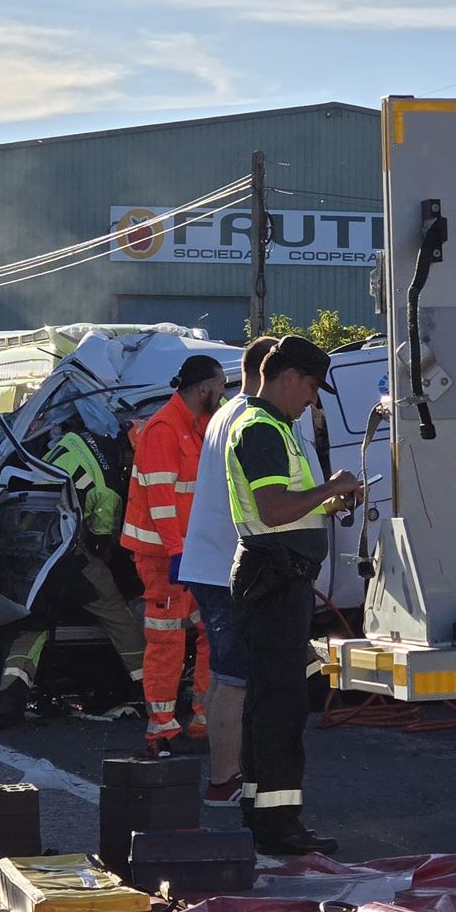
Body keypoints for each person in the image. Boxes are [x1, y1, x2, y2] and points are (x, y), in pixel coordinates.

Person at [225, 335, 362, 856]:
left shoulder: (273, 426)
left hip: (275, 577)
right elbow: (276, 510)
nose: (312, 400)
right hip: (275, 580)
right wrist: (332, 487)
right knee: (281, 704)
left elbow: (287, 510)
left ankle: (263, 814)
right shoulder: (261, 428)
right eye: (310, 387)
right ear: (288, 378)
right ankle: (280, 826)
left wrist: (326, 504)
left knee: (269, 699)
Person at [177, 336, 298, 805]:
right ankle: (224, 779)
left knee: (233, 673)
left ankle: (231, 773)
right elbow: (269, 501)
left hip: (214, 562)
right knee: (235, 675)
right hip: (229, 565)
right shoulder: (251, 419)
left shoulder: (225, 413)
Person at [0, 428, 146, 730]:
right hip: (70, 558)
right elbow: (100, 541)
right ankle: (148, 689)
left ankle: (10, 701)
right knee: (119, 616)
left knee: (35, 625)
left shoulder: (76, 438)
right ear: (131, 455)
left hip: (32, 551)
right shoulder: (107, 489)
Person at [121, 354, 226, 756]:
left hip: (188, 552)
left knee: (209, 634)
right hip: (163, 556)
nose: (222, 393)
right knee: (167, 639)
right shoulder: (165, 429)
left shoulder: (195, 426)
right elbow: (161, 502)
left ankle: (202, 720)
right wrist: (178, 551)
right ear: (204, 389)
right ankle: (161, 729)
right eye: (219, 386)